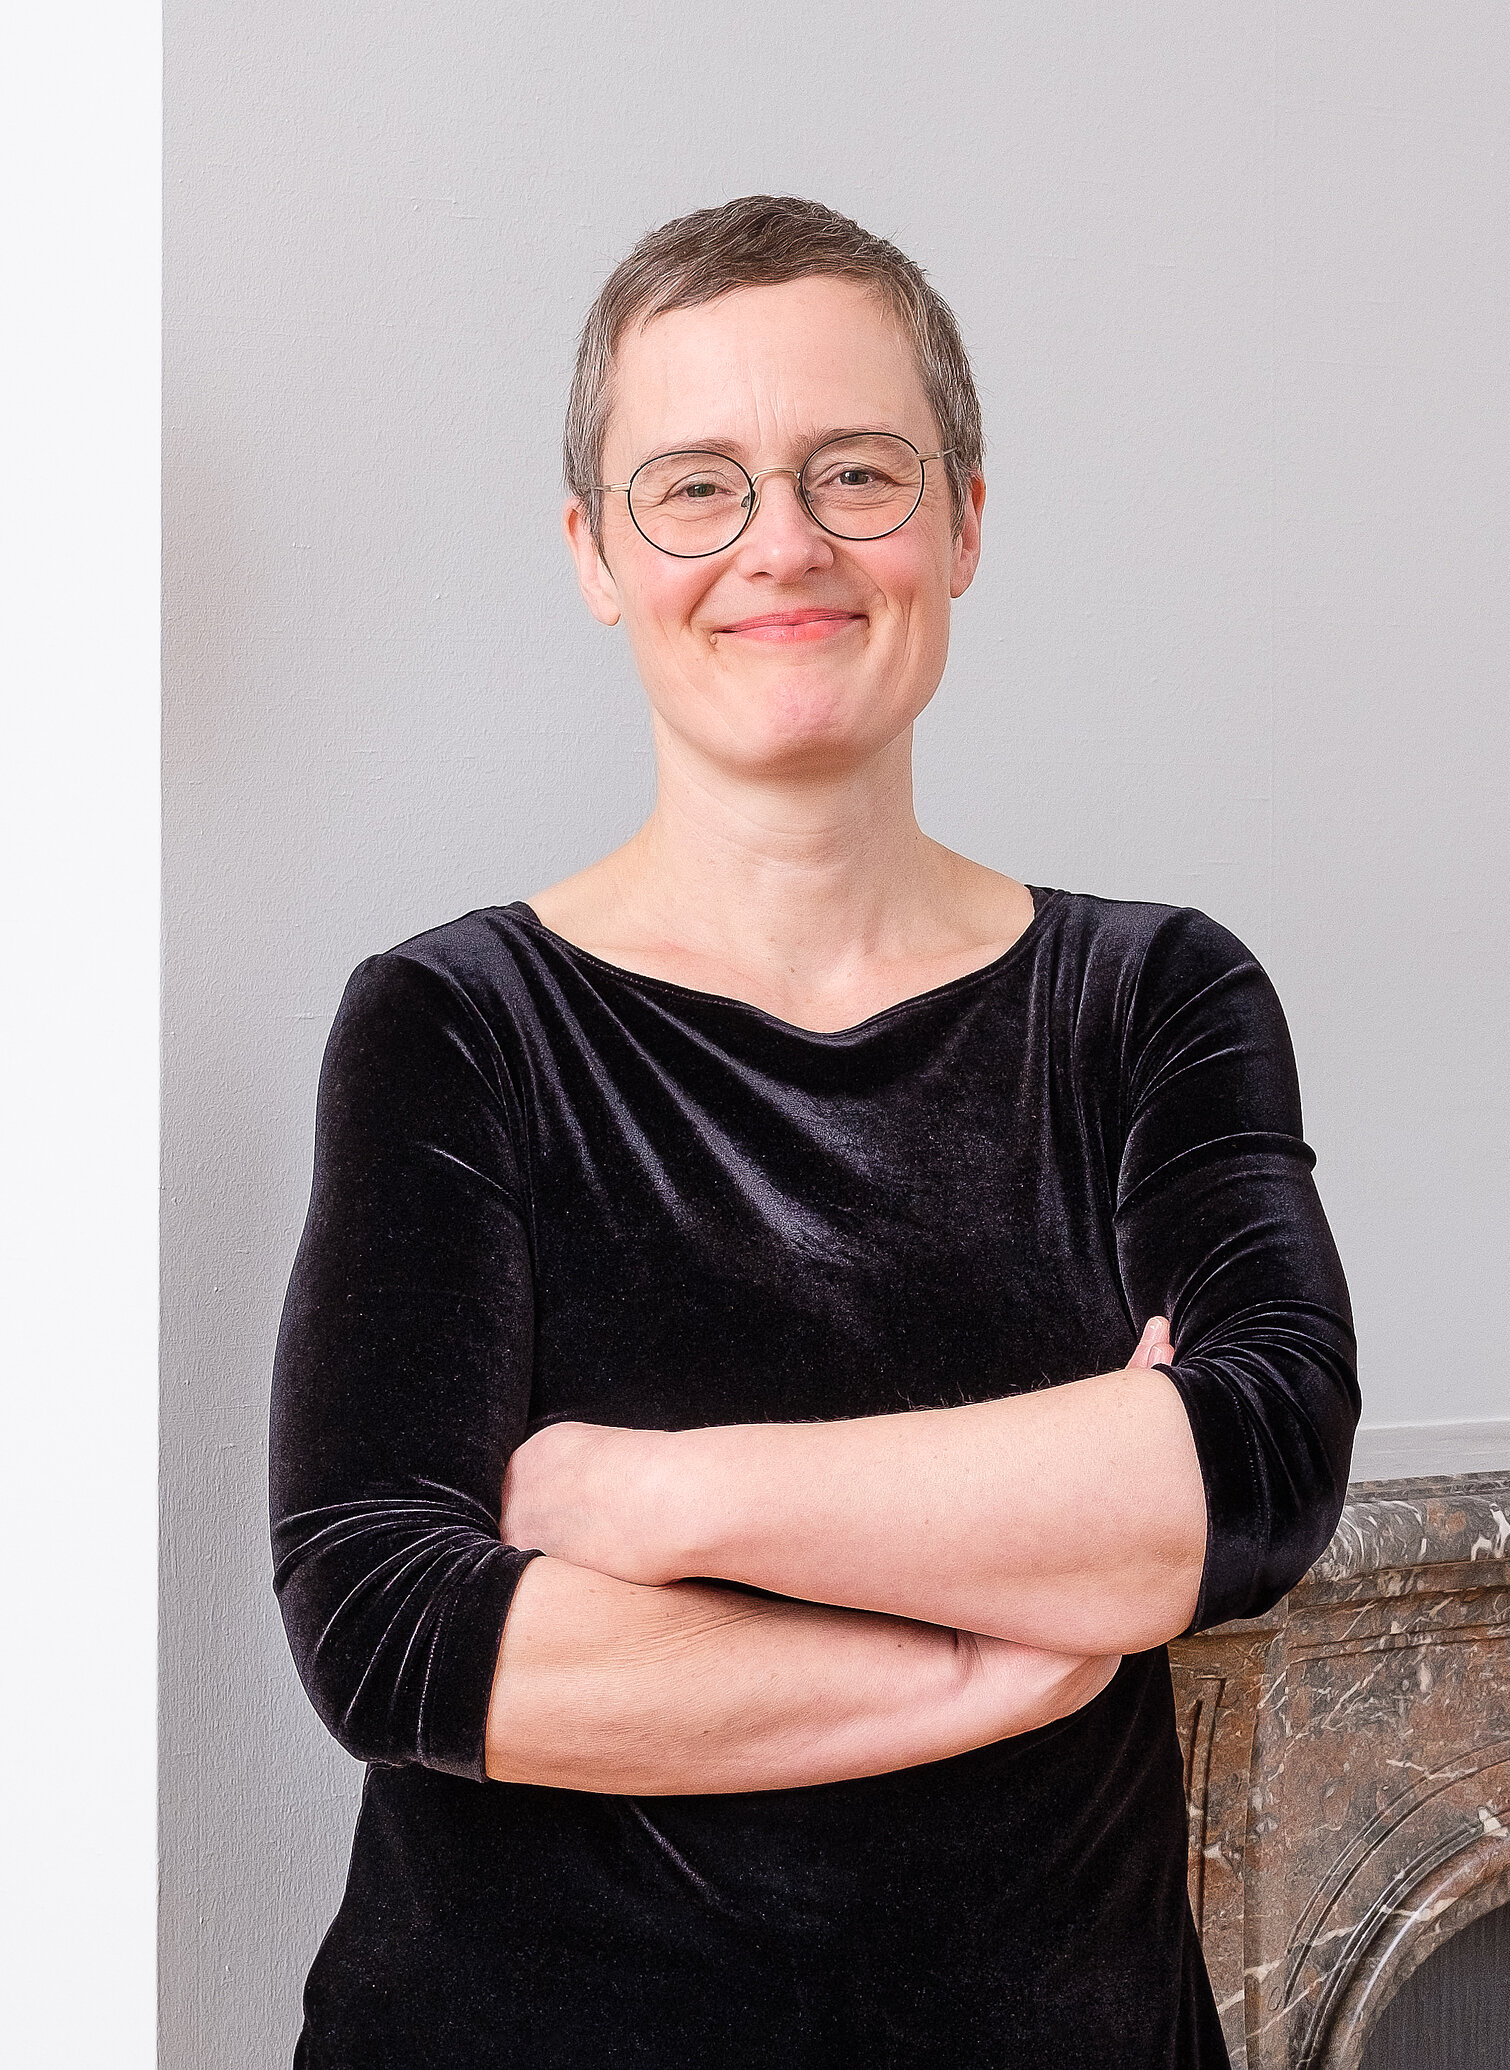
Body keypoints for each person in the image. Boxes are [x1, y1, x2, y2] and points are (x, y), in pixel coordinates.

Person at [270, 193, 1358, 2068]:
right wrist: (999, 1651)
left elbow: (1259, 1463)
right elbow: (392, 1627)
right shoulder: (453, 1023)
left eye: (855, 471)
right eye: (695, 486)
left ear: (964, 520)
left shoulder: (1155, 996)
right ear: (595, 552)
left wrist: (664, 1501)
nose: (782, 542)